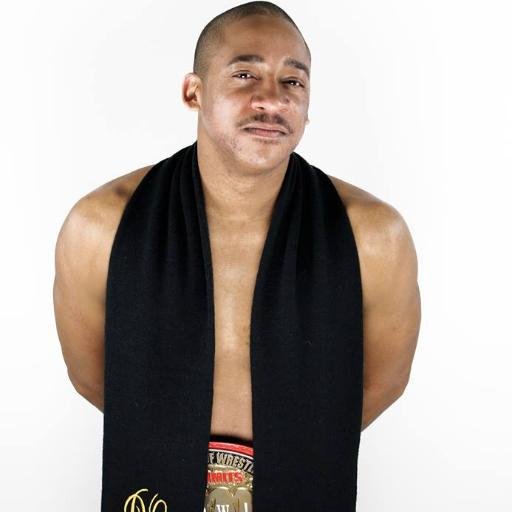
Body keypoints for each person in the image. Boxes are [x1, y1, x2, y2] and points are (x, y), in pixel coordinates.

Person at [53, 2, 420, 508]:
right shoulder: (101, 225)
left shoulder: (373, 235)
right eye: (245, 75)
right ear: (194, 92)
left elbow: (384, 381)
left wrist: (293, 445)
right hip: (154, 483)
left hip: (303, 484)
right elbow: (92, 376)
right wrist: (173, 446)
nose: (271, 99)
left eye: (292, 82)